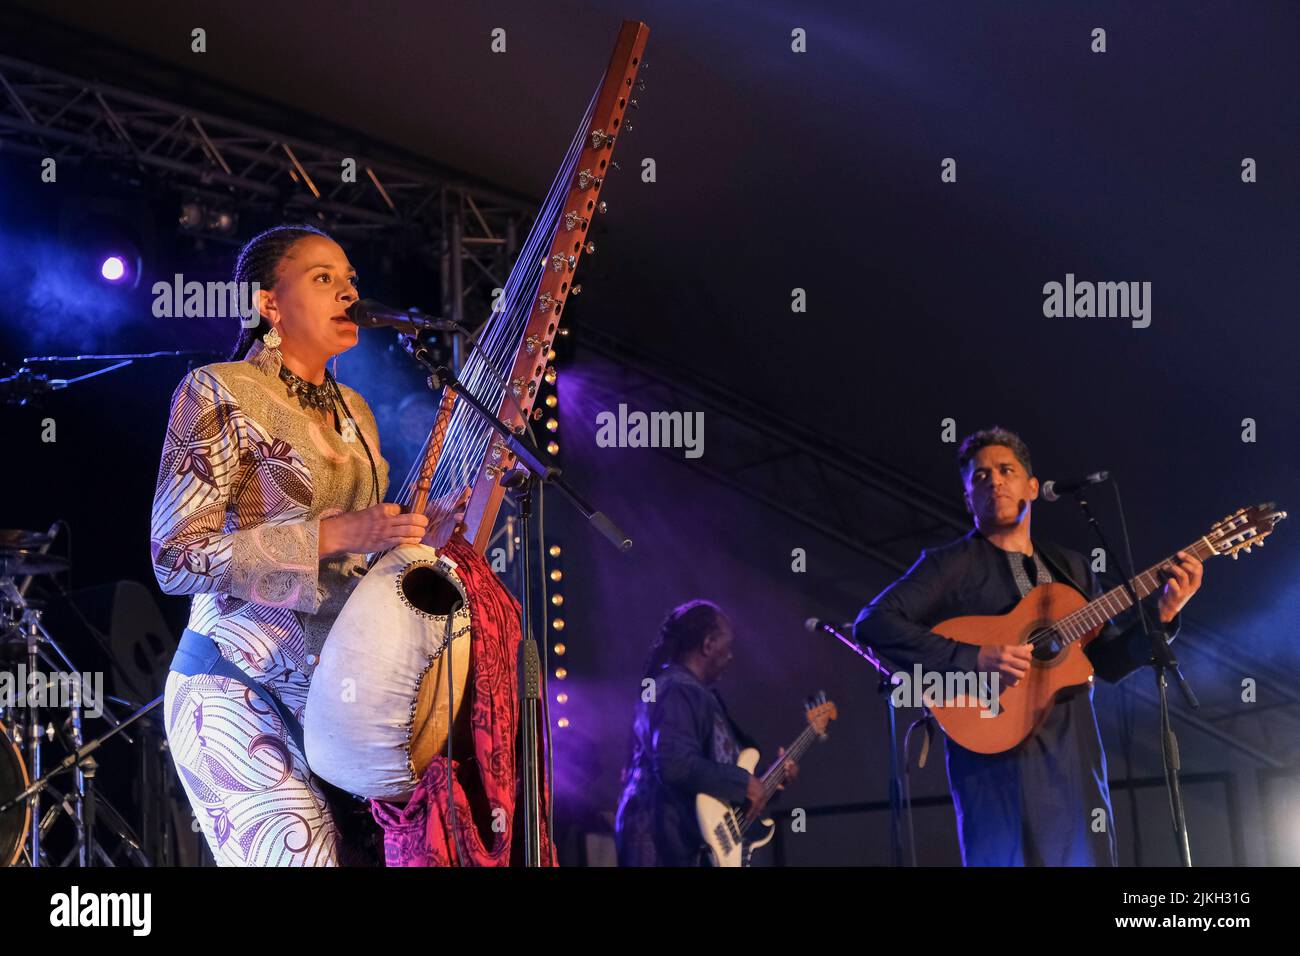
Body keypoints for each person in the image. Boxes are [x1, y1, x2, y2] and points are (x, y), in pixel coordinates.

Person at [150, 224, 456, 866]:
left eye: (350, 279)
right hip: (234, 690)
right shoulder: (216, 391)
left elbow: (358, 566)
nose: (348, 291)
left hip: (335, 704)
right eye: (324, 279)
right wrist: (338, 533)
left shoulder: (357, 411)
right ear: (269, 304)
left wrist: (412, 536)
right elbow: (175, 556)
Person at [854, 427, 1203, 866]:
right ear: (967, 499)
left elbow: (1109, 661)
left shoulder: (1072, 566)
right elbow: (874, 622)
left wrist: (1163, 614)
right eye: (980, 478)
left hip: (1073, 754)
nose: (994, 482)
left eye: (1006, 471)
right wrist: (972, 658)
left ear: (1032, 487)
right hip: (992, 756)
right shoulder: (948, 565)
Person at [614, 600, 796, 866]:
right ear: (708, 644)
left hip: (683, 844)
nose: (731, 656)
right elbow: (674, 764)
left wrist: (766, 783)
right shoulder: (677, 689)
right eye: (728, 646)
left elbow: (710, 772)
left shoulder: (690, 692)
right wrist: (743, 782)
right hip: (662, 844)